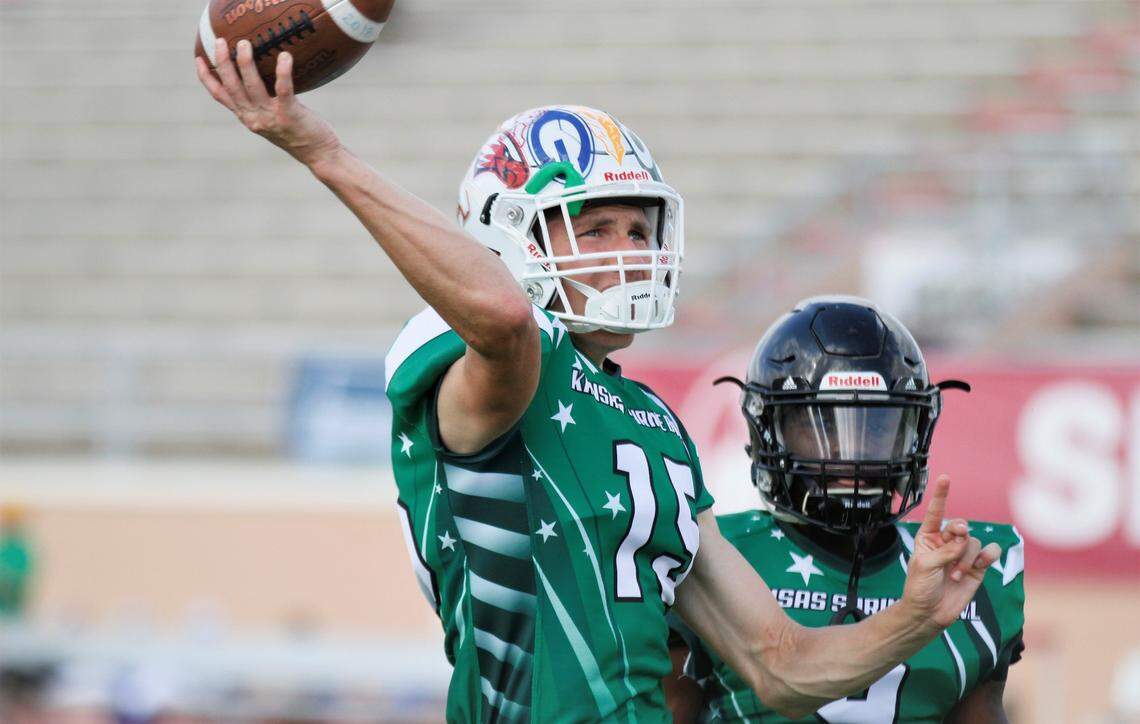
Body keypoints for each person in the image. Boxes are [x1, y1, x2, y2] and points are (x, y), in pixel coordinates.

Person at [196, 44, 1002, 723]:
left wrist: (914, 619)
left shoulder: (655, 422)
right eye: (595, 229)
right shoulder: (499, 363)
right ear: (506, 239)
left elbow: (779, 665)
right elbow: (506, 320)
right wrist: (322, 152)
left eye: (639, 229)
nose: (631, 251)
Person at [665, 297, 1025, 723]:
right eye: (821, 427)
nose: (849, 454)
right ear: (768, 429)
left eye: (875, 427)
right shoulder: (713, 553)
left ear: (915, 430)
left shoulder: (969, 570)